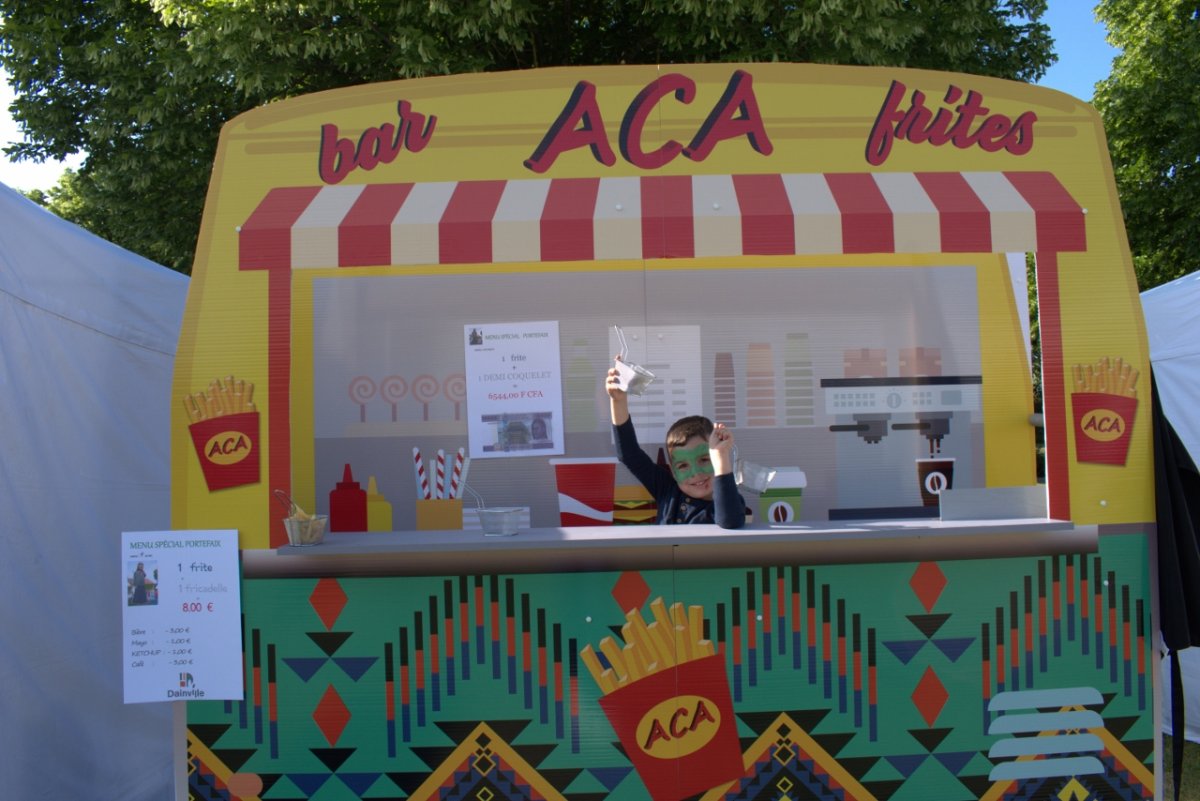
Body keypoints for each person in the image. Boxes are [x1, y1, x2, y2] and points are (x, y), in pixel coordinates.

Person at [606, 358, 745, 528]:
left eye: (704, 459)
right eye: (683, 466)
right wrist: (618, 401)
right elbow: (629, 455)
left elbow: (729, 521)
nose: (695, 473)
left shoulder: (730, 500)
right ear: (672, 471)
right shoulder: (666, 489)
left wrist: (720, 455)